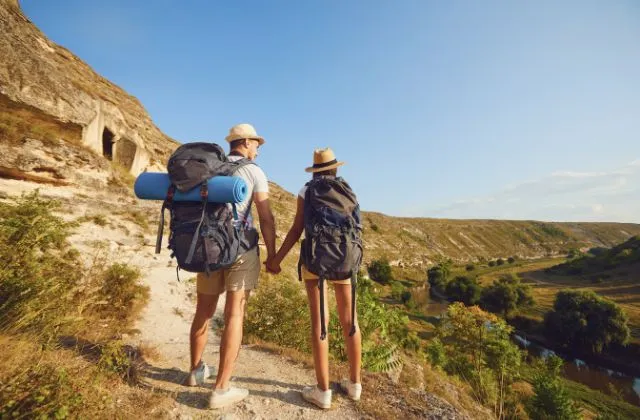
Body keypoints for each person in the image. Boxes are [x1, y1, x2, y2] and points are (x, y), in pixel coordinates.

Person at [185, 123, 277, 409]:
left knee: (204, 310)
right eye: (256, 143)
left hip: (209, 246)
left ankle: (195, 370)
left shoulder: (211, 167)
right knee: (234, 313)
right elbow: (265, 217)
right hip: (240, 248)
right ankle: (221, 388)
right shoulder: (254, 171)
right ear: (246, 142)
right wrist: (272, 255)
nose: (258, 148)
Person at [266, 148, 362, 409]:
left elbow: (297, 229)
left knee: (321, 322)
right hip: (345, 257)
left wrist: (276, 260)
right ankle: (354, 385)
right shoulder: (347, 190)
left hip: (316, 260)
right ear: (335, 169)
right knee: (350, 319)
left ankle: (323, 390)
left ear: (315, 170)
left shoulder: (306, 190)